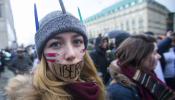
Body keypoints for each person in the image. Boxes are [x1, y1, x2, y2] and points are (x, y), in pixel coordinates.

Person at [5, 10, 105, 100]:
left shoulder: (95, 87)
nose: (71, 54)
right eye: (56, 44)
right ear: (43, 55)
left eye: (77, 41)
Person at [107, 35, 175, 100]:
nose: (159, 56)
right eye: (154, 53)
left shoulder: (148, 75)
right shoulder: (120, 91)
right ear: (139, 56)